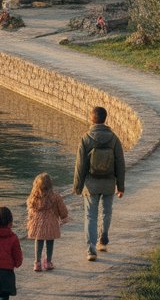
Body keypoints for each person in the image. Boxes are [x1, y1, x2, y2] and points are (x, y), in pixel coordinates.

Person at [73, 106, 125, 261]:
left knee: (90, 216)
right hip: (109, 182)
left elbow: (80, 165)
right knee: (107, 212)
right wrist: (120, 186)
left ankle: (91, 250)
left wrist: (77, 186)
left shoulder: (86, 138)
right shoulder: (114, 138)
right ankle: (103, 238)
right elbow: (120, 164)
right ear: (105, 119)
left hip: (91, 184)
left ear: (92, 119)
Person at [26, 172, 70, 272]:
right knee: (50, 242)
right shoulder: (56, 197)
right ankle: (48, 262)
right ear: (50, 184)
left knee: (39, 241)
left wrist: (30, 220)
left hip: (38, 223)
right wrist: (64, 217)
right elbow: (62, 209)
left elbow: (30, 209)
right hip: (51, 223)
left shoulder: (34, 197)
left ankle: (37, 263)